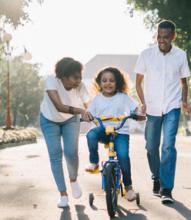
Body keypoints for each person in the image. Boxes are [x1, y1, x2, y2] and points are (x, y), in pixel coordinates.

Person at [135, 20, 190, 204]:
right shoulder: (146, 54)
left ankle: (167, 188)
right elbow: (138, 81)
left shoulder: (181, 55)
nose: (162, 40)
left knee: (168, 146)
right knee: (151, 147)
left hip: (172, 107)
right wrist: (142, 103)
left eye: (166, 37)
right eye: (159, 36)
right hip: (152, 108)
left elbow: (184, 83)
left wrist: (184, 101)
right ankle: (156, 178)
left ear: (173, 37)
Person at [40, 57, 92, 208]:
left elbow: (89, 105)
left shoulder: (80, 86)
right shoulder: (52, 81)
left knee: (71, 152)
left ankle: (73, 180)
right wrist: (81, 111)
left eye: (80, 77)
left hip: (70, 120)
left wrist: (93, 116)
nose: (78, 81)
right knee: (55, 155)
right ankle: (63, 194)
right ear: (63, 76)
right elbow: (59, 106)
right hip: (49, 119)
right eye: (75, 77)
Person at [85, 66, 139, 201]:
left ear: (118, 83)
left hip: (120, 131)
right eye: (104, 80)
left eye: (112, 80)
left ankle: (129, 188)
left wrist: (138, 113)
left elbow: (136, 108)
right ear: (99, 83)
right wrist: (87, 115)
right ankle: (94, 162)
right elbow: (90, 112)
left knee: (123, 156)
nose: (108, 83)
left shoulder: (123, 97)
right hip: (104, 130)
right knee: (91, 134)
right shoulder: (97, 99)